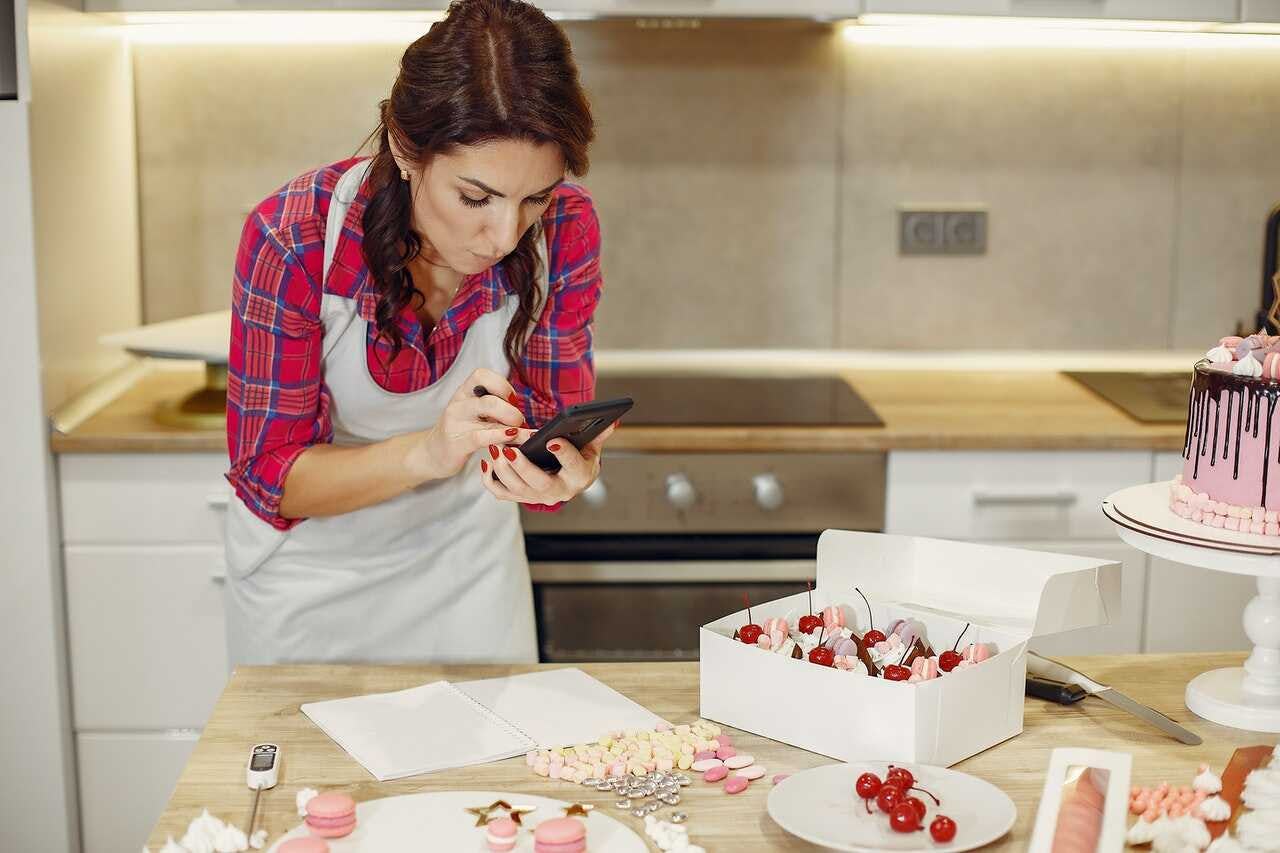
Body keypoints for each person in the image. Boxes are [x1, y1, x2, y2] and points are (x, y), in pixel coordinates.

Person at [222, 0, 608, 666]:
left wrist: (559, 470)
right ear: (406, 149)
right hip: (313, 591)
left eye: (535, 197)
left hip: (471, 586)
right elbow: (272, 476)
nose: (506, 234)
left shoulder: (566, 230)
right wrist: (430, 452)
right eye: (475, 197)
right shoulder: (294, 239)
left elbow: (547, 421)